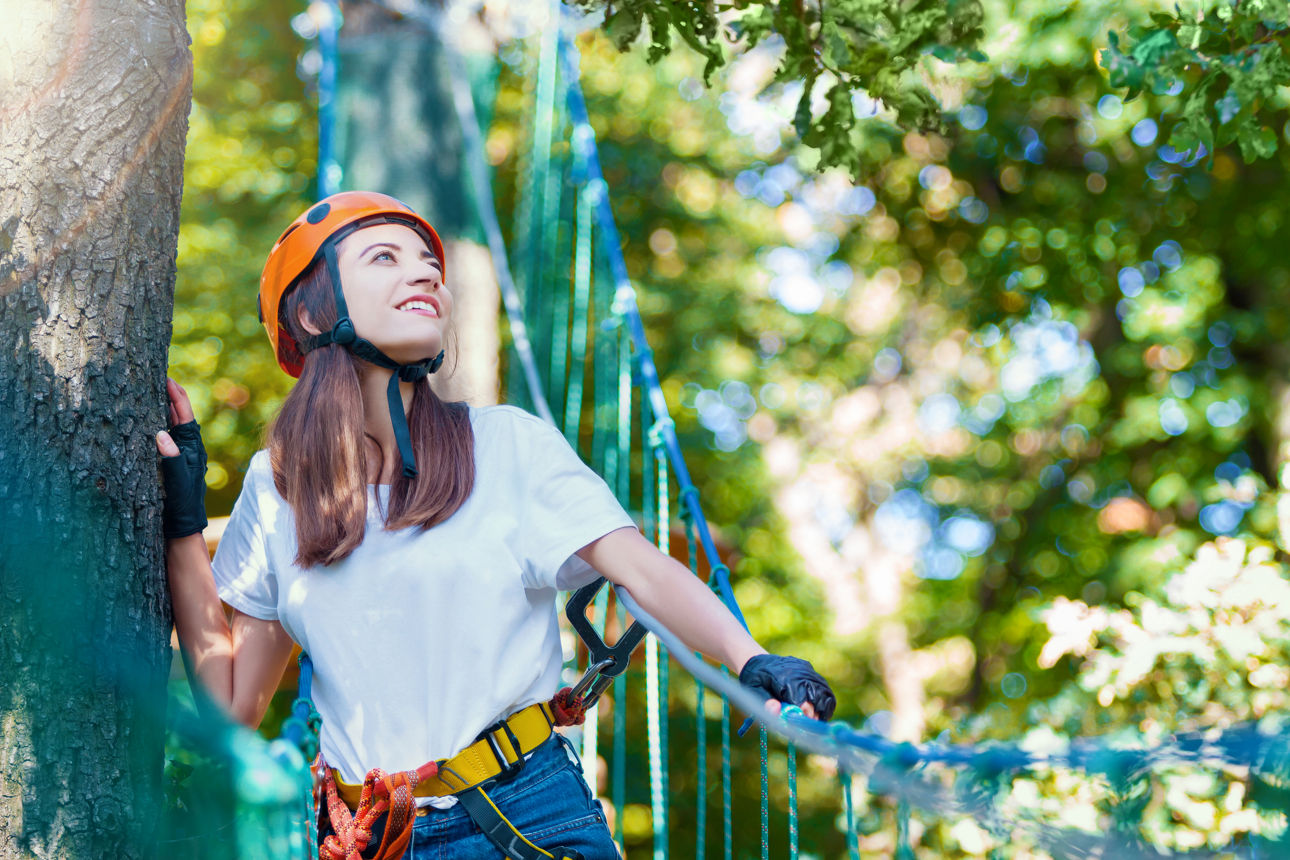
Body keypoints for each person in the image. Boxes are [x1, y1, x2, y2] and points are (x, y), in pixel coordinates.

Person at [158, 191, 836, 860]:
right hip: (368, 836)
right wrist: (183, 526)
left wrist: (749, 656)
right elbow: (233, 708)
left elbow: (640, 569)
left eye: (429, 263)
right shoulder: (277, 487)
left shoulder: (506, 446)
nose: (426, 273)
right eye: (385, 258)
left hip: (524, 821)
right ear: (310, 311)